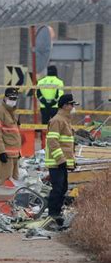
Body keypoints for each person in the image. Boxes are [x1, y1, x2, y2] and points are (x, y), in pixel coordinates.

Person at [45, 94, 78, 224]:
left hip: (62, 162)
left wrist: (71, 161)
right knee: (57, 188)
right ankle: (52, 214)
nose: (73, 107)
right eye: (72, 104)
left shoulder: (65, 120)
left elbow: (67, 144)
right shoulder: (57, 120)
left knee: (63, 188)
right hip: (57, 162)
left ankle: (57, 214)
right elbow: (53, 141)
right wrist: (61, 159)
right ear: (65, 105)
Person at [0, 88, 22, 185]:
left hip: (15, 153)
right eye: (11, 98)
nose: (13, 100)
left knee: (15, 181)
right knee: (5, 181)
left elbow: (14, 134)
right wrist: (1, 152)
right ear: (5, 97)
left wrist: (19, 151)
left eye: (15, 98)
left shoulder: (12, 111)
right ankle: (4, 200)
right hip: (6, 154)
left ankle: (13, 199)